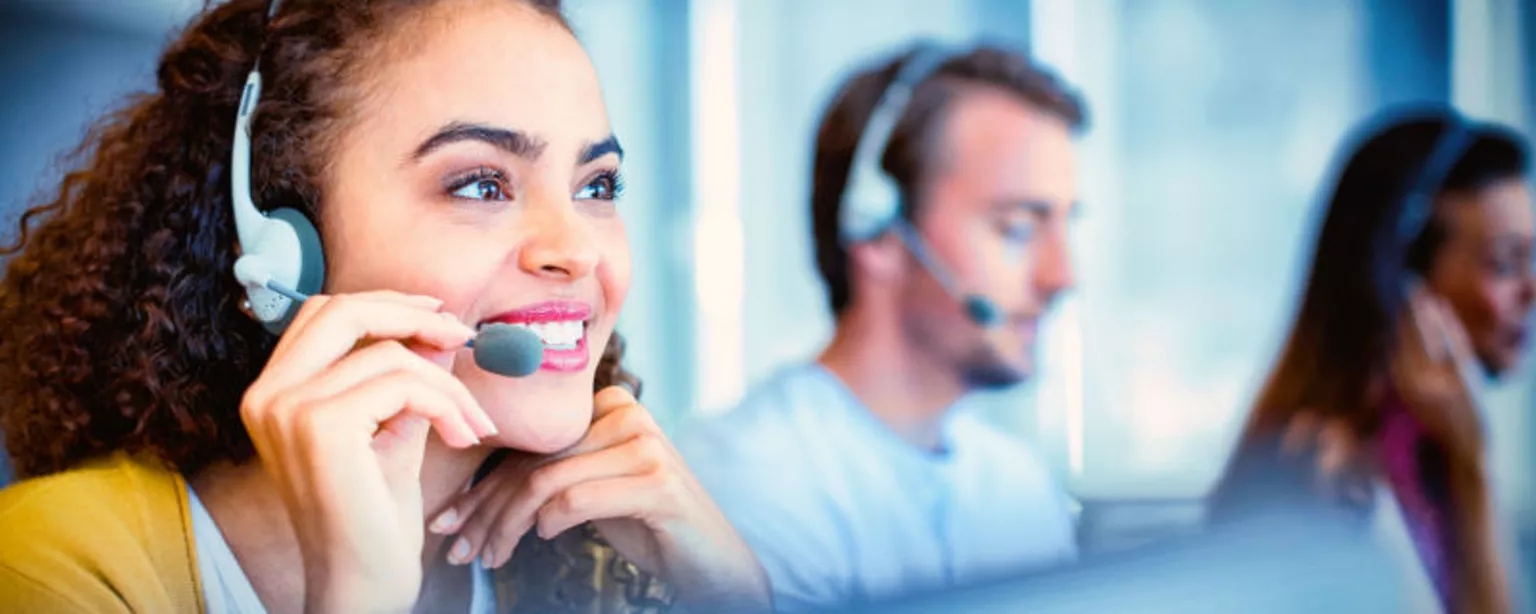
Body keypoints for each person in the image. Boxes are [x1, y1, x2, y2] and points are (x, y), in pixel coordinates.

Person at [0, 1, 771, 612]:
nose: (577, 250)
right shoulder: (48, 570)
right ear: (282, 243)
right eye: (481, 184)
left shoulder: (590, 566)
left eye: (596, 186)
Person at [596, 43, 1081, 611]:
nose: (1063, 275)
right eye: (1018, 228)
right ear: (878, 230)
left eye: (1066, 225)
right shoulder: (753, 481)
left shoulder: (1016, 483)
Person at [1210, 107, 1533, 614]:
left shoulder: (1433, 451)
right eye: (1506, 262)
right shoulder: (1329, 477)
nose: (1531, 291)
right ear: (1399, 279)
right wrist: (1474, 465)